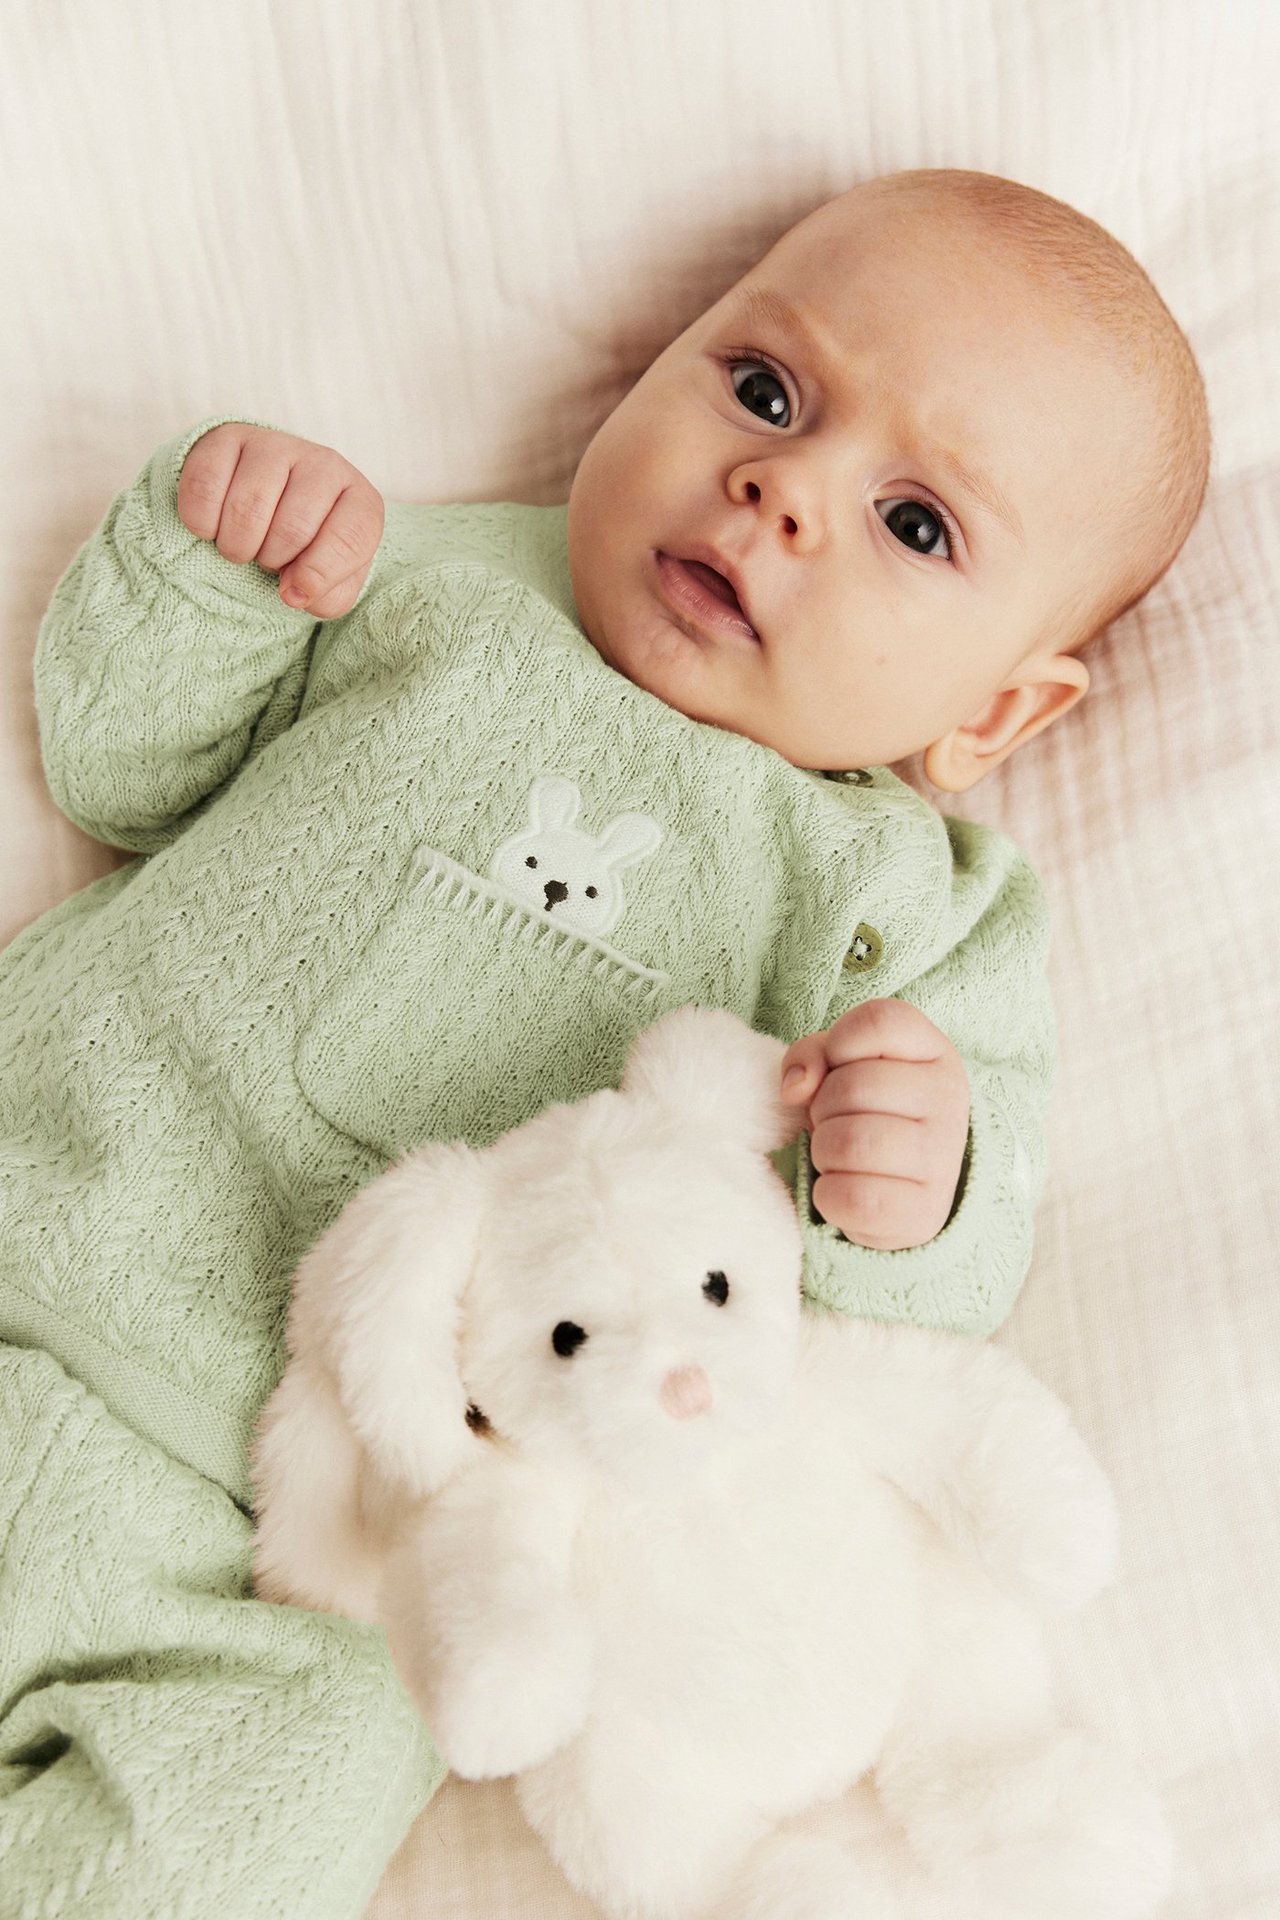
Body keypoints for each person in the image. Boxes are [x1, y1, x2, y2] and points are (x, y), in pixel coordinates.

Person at [0, 169, 1209, 1916]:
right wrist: (214, 570)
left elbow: (923, 1294)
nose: (780, 491)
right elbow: (117, 765)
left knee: (266, 1810)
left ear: (998, 713)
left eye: (917, 525)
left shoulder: (903, 904)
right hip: (44, 1240)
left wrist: (918, 1179)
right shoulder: (427, 580)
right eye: (767, 391)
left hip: (323, 1563)